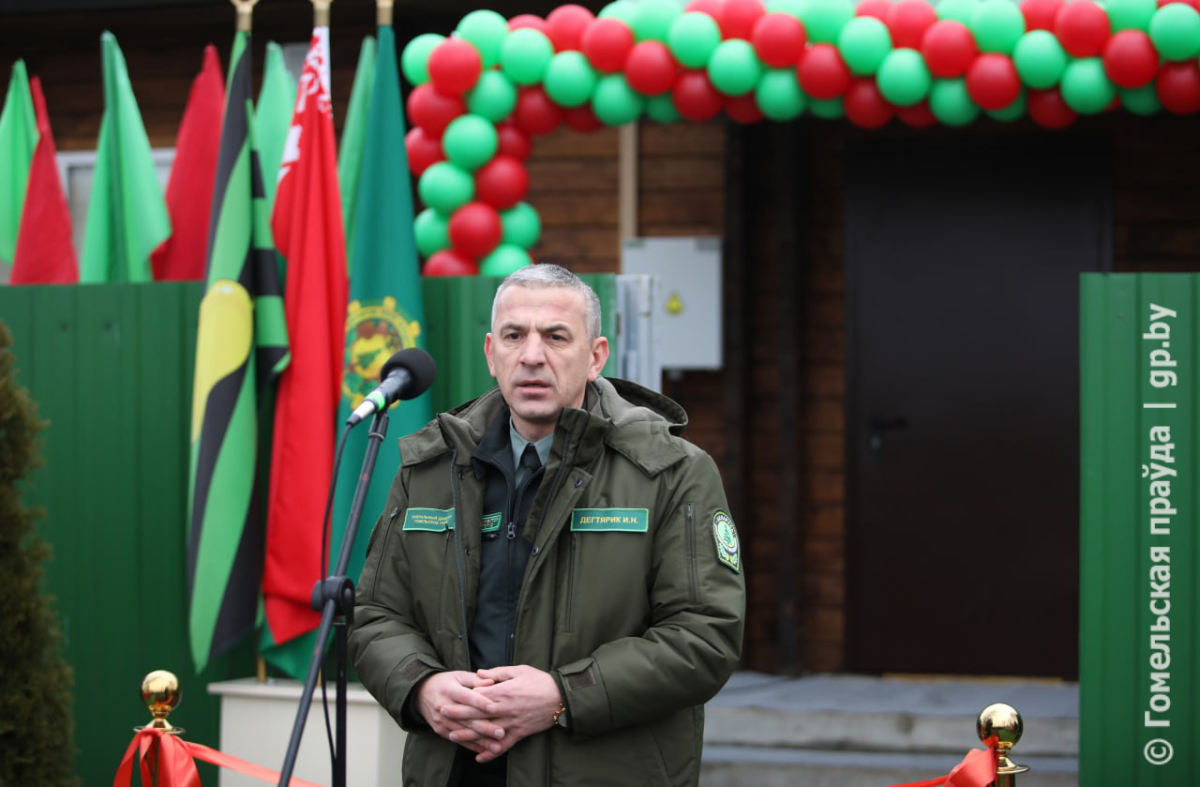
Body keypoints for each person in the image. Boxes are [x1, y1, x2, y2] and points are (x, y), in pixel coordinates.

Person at [349, 264, 745, 787]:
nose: (532, 355)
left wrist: (563, 696)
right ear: (491, 353)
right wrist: (421, 687)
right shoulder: (431, 467)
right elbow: (375, 615)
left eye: (556, 337)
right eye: (514, 336)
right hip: (457, 770)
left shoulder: (671, 472)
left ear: (596, 357)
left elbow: (704, 635)